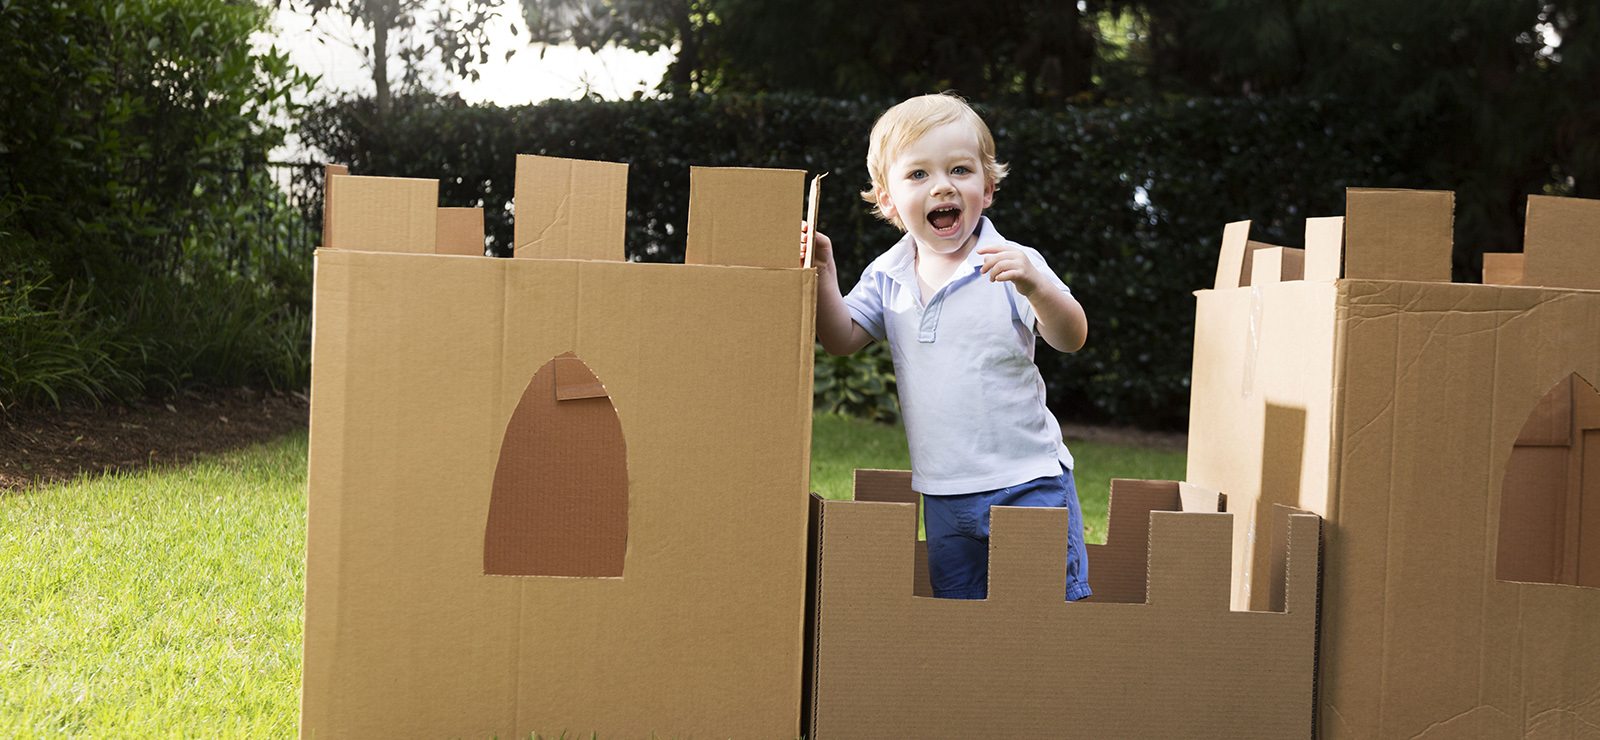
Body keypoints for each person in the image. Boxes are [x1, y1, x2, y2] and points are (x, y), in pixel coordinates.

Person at [802, 93, 1092, 601]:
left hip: (1027, 482)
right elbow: (841, 338)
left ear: (988, 187)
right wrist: (824, 270)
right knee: (958, 619)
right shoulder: (887, 275)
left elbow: (1071, 338)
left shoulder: (1012, 263)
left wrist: (1037, 287)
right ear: (887, 200)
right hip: (943, 493)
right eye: (918, 175)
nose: (942, 186)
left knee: (1044, 614)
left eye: (959, 169)